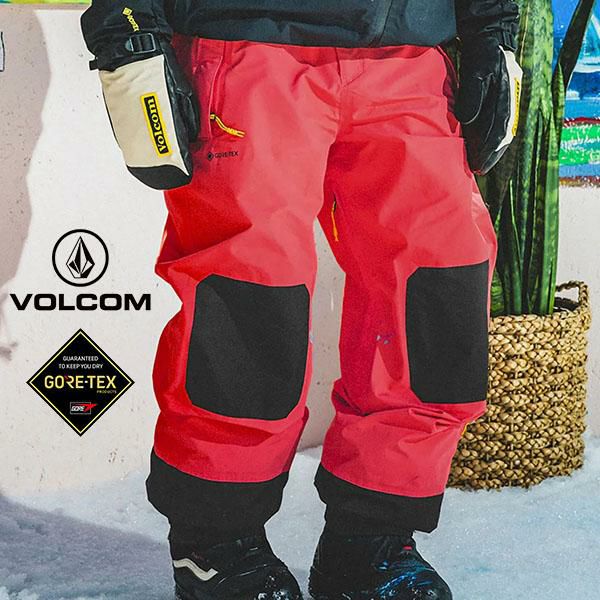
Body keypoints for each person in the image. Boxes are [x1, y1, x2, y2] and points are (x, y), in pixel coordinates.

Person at [81, 1, 521, 598]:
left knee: (435, 295)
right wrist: (128, 30)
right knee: (249, 300)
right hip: (248, 43)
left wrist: (493, 28)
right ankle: (217, 546)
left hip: (412, 55)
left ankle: (371, 544)